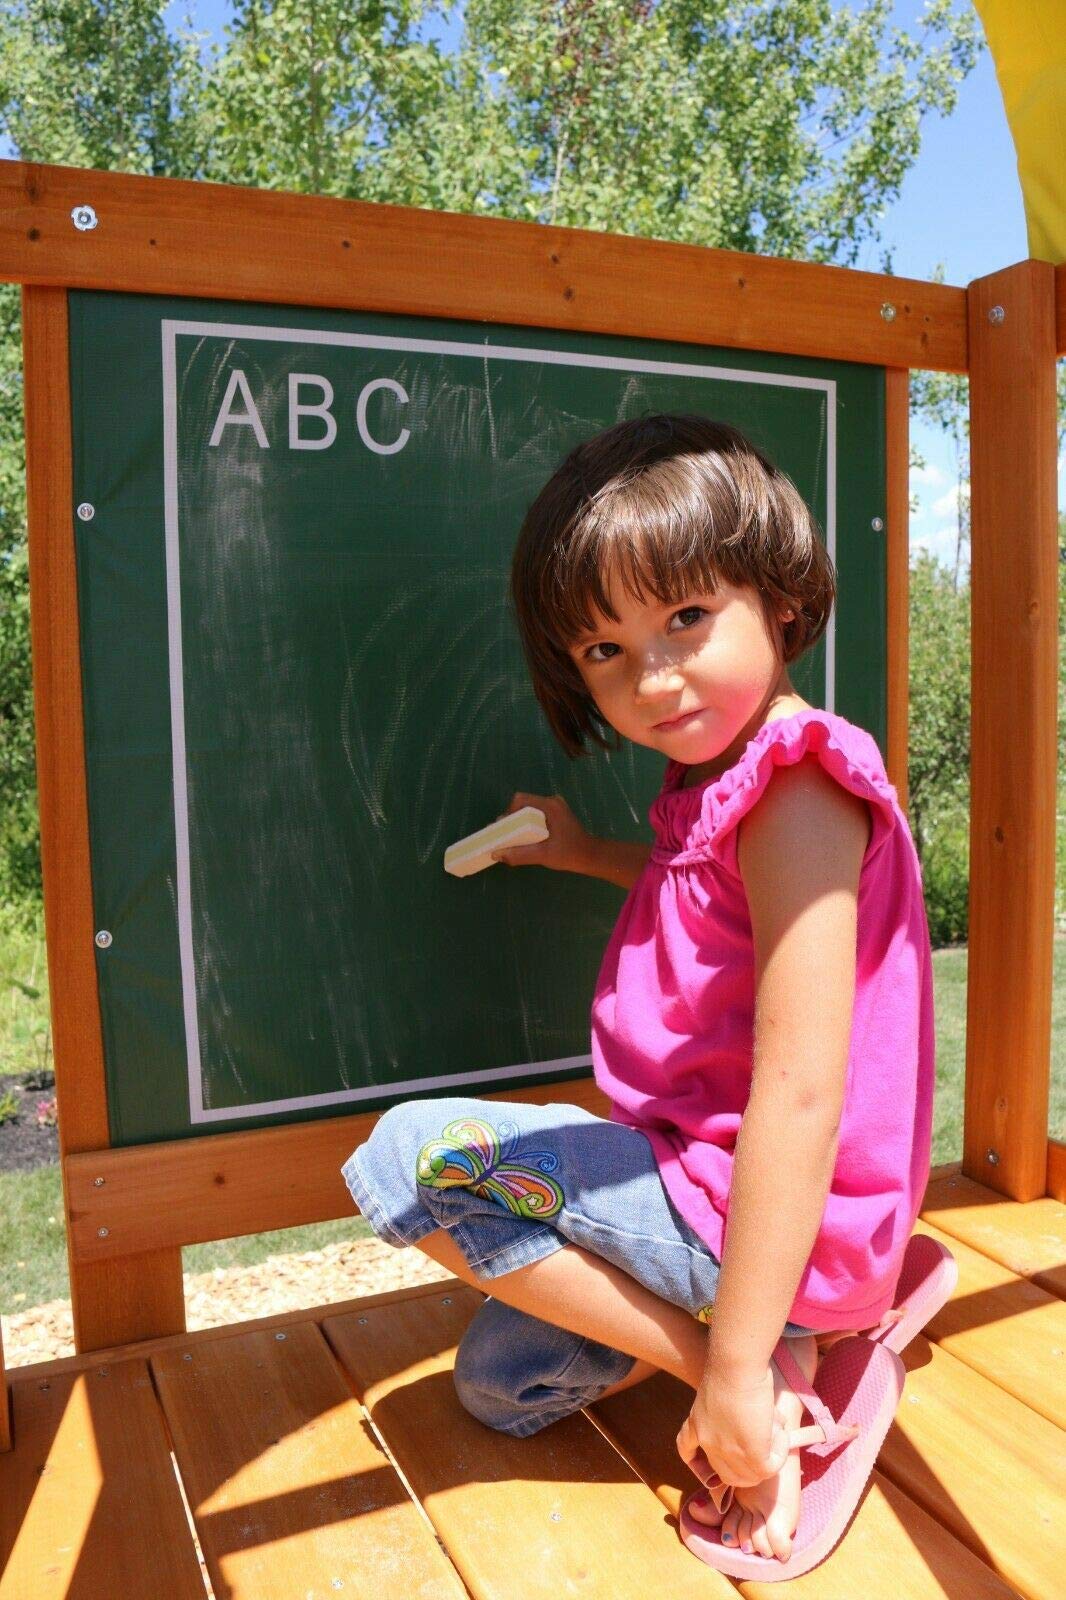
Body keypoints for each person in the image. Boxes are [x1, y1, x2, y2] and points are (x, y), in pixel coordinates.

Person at [342, 413, 934, 1567]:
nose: (653, 677)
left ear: (777, 594)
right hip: (708, 1189)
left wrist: (722, 1372)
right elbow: (701, 891)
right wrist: (583, 854)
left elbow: (804, 1093)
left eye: (684, 618)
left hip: (755, 1206)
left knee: (422, 1158)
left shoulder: (794, 790)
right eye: (605, 651)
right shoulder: (722, 784)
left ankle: (760, 1370)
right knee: (504, 1388)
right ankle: (756, 1344)